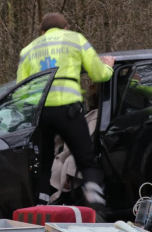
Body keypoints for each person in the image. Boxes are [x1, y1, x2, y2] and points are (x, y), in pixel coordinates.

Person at [17, 13, 114, 212]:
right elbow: (99, 74)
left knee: (44, 163)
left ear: (42, 32)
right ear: (66, 28)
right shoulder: (75, 40)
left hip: (41, 113)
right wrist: (108, 67)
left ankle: (41, 205)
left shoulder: (28, 49)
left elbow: (22, 90)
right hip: (68, 110)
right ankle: (94, 202)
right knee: (86, 160)